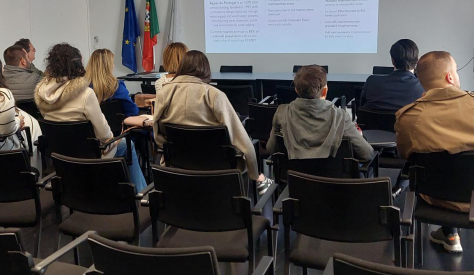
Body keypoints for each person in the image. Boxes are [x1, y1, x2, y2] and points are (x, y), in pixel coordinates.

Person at [395, 51, 474, 254]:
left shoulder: (409, 118)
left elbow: (404, 154)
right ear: (449, 77)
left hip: (434, 197)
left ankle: (450, 234)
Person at [152, 50, 273, 195]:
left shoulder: (163, 93)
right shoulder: (214, 95)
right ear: (205, 69)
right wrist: (256, 175)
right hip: (218, 169)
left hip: (177, 166)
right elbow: (241, 139)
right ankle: (258, 183)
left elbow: (157, 132)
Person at [35, 43, 147, 192]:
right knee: (127, 145)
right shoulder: (85, 94)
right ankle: (141, 193)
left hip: (60, 156)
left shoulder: (42, 95)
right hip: (89, 156)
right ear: (77, 64)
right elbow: (104, 135)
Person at [267, 65, 374, 163]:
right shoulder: (340, 117)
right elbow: (366, 154)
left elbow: (271, 149)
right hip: (331, 177)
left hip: (293, 176)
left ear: (296, 90)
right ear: (325, 91)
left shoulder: (281, 113)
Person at [360, 39, 425, 111]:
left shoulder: (372, 82)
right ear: (417, 60)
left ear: (392, 61)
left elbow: (361, 107)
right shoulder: (423, 87)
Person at [86, 48, 141, 119]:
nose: (113, 66)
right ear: (108, 66)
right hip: (115, 125)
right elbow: (133, 111)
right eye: (112, 63)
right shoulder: (116, 86)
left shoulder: (83, 87)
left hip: (89, 125)